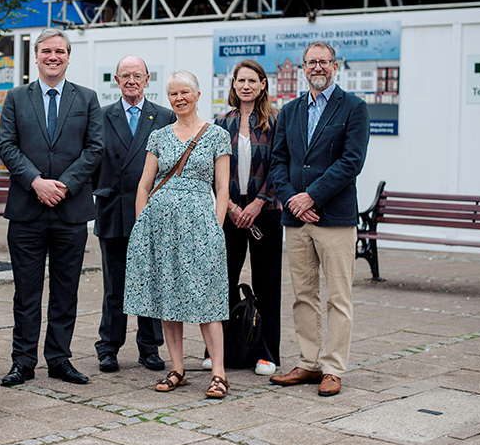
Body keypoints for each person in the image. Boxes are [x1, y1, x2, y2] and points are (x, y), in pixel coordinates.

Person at [0, 28, 103, 386]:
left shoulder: (87, 99)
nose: (53, 57)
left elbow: (95, 148)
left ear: (68, 56)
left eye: (59, 51)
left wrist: (66, 185)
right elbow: (7, 145)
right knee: (25, 293)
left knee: (65, 291)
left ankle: (59, 359)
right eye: (46, 51)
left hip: (70, 211)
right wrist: (36, 182)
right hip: (27, 210)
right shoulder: (15, 97)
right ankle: (22, 362)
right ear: (37, 56)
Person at [269, 41, 370, 397]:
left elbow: (351, 162)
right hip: (298, 221)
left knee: (338, 297)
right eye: (311, 62)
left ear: (335, 66)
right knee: (303, 295)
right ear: (303, 66)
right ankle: (308, 363)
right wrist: (291, 201)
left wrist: (312, 195)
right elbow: (277, 162)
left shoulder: (354, 108)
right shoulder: (291, 110)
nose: (317, 67)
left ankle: (332, 367)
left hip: (335, 218)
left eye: (323, 62)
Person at [124, 70, 232, 399]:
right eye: (173, 94)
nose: (179, 98)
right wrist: (144, 225)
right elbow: (144, 185)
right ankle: (177, 368)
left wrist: (216, 228)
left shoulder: (216, 136)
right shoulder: (158, 136)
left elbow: (223, 187)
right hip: (161, 230)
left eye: (185, 92)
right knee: (168, 299)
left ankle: (218, 372)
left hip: (201, 229)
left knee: (207, 300)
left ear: (197, 95)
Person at [93, 56, 175, 373]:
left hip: (151, 212)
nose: (131, 81)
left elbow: (171, 165)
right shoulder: (101, 116)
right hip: (113, 209)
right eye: (125, 75)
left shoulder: (164, 116)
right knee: (115, 284)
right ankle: (109, 347)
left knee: (150, 282)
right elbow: (92, 161)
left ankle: (149, 347)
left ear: (147, 78)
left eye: (136, 75)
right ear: (116, 80)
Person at [211, 59, 282, 376]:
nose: (246, 86)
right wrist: (231, 208)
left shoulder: (275, 121)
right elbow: (214, 171)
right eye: (241, 80)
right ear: (234, 85)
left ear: (263, 85)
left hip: (265, 214)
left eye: (253, 81)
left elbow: (280, 167)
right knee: (223, 281)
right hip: (230, 214)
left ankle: (267, 352)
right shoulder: (221, 123)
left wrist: (258, 203)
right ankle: (221, 349)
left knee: (267, 283)